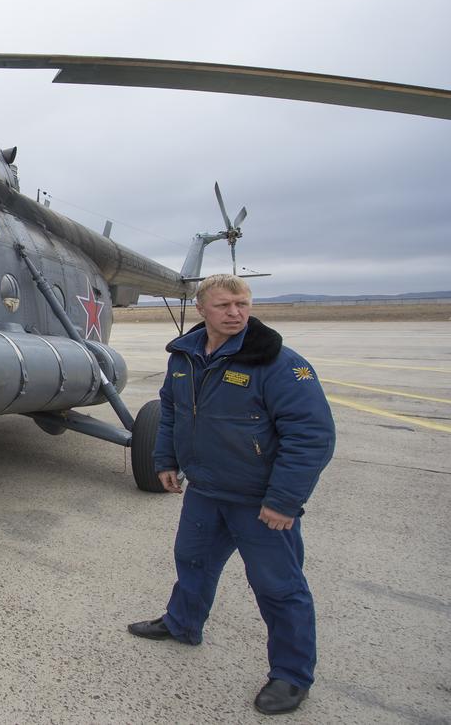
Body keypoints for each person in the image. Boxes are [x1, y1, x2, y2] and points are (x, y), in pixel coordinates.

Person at [127, 273, 335, 715]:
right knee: (193, 562)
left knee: (279, 587)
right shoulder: (184, 357)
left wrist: (283, 500)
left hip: (258, 500)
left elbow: (311, 436)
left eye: (242, 304)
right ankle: (183, 624)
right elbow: (170, 411)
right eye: (224, 306)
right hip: (205, 489)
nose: (236, 313)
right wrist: (165, 460)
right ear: (202, 310)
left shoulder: (277, 363)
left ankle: (292, 676)